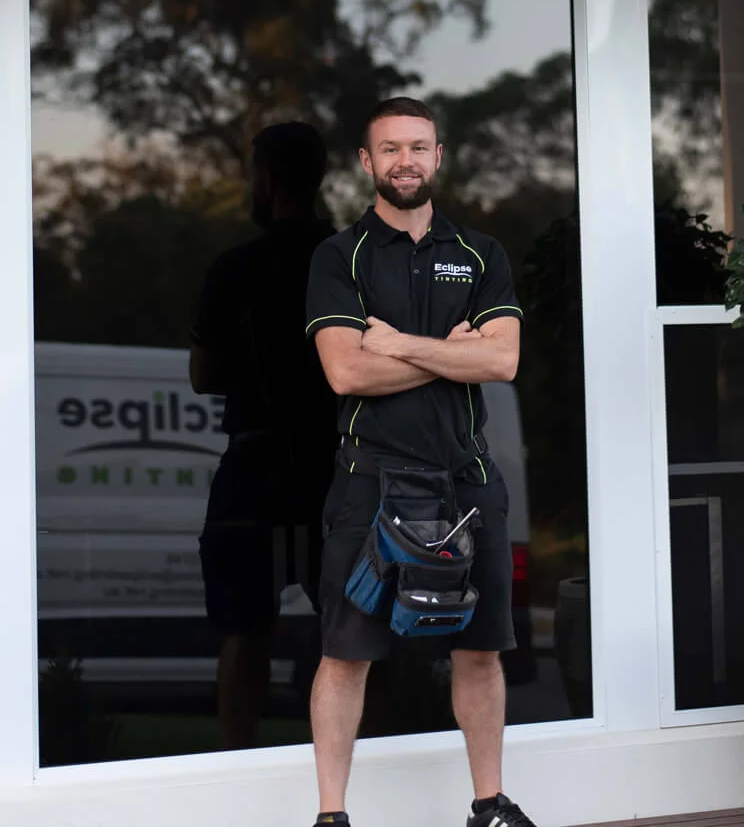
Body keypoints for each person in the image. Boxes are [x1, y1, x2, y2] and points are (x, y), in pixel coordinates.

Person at [304, 97, 534, 827]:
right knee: (346, 653)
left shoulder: (481, 254)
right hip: (369, 481)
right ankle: (332, 816)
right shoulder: (340, 256)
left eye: (418, 147)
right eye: (390, 148)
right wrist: (452, 353)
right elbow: (345, 372)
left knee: (481, 649)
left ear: (438, 156)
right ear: (366, 162)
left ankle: (489, 807)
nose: (405, 161)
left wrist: (399, 344)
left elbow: (502, 361)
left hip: (466, 482)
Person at [190, 121, 339, 751]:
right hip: (336, 467)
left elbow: (203, 374)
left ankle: (236, 768)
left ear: (270, 181)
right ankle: (369, 762)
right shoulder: (352, 263)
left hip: (256, 469)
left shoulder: (238, 269)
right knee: (356, 632)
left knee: (244, 632)